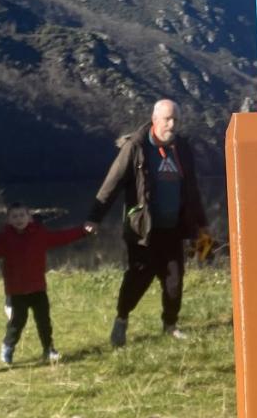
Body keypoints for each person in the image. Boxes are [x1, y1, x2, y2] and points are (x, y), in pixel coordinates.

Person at [86, 99, 208, 347]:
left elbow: (192, 189)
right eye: (167, 119)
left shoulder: (182, 148)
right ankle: (121, 320)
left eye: (176, 119)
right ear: (155, 120)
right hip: (144, 230)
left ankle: (170, 325)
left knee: (174, 280)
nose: (172, 124)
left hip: (174, 228)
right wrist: (94, 217)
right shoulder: (136, 147)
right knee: (138, 278)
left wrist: (201, 224)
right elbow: (113, 182)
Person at [0, 202, 90, 365]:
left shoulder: (39, 234)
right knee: (17, 322)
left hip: (38, 288)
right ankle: (8, 347)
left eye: (22, 215)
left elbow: (61, 237)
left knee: (44, 321)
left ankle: (48, 349)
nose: (19, 219)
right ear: (9, 220)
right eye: (14, 216)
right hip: (16, 291)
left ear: (30, 218)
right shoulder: (5, 238)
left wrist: (82, 231)